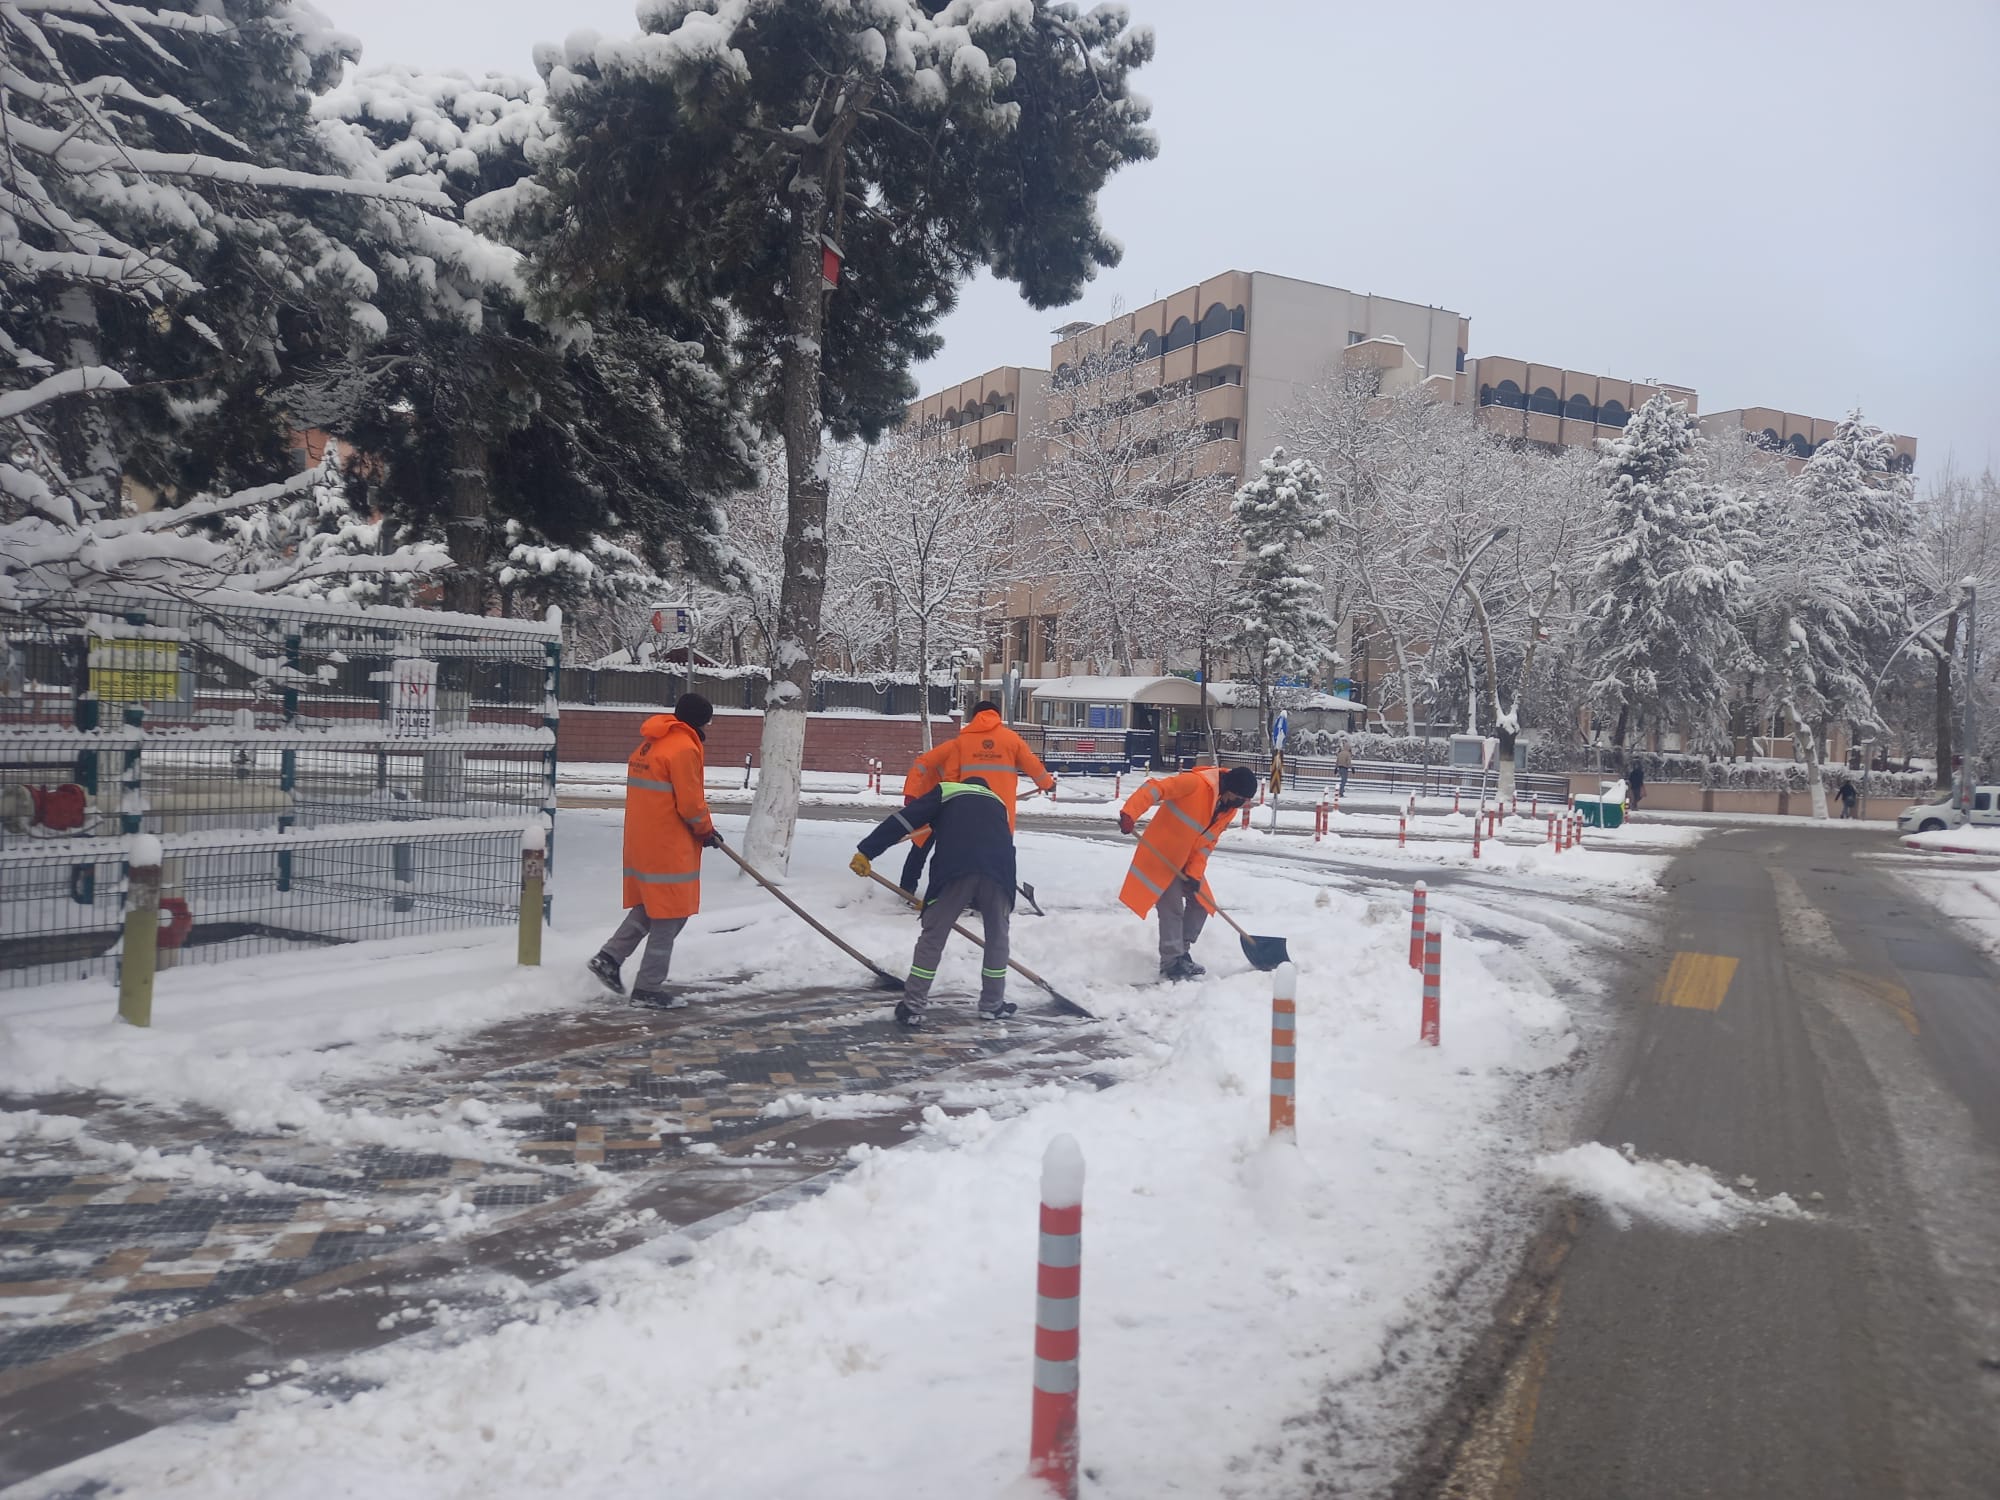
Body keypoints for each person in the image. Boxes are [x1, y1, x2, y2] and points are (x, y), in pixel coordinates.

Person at [588, 693, 724, 1009]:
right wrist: (704, 830)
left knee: (653, 904)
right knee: (671, 914)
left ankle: (609, 957)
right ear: (700, 721)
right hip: (668, 844)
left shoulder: (652, 743)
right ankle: (648, 988)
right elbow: (690, 803)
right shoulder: (685, 748)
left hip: (643, 840)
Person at [852, 774, 1018, 1029]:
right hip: (1000, 875)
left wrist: (867, 850)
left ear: (964, 783)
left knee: (933, 936)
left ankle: (913, 1006)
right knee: (997, 938)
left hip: (955, 871)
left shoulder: (948, 790)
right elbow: (995, 845)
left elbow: (903, 821)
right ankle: (992, 1005)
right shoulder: (998, 803)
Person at [1118, 764, 1258, 981]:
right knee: (1172, 908)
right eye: (1240, 798)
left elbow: (1206, 845)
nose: (1240, 804)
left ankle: (1181, 952)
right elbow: (1155, 788)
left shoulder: (1227, 809)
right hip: (1161, 855)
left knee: (1203, 903)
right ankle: (1171, 962)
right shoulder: (1195, 783)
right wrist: (1130, 813)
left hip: (1185, 861)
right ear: (1230, 788)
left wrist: (1194, 874)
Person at [940, 700, 1056, 828]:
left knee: (970, 839)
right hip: (1002, 802)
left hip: (969, 801)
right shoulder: (1011, 738)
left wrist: (949, 801)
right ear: (997, 716)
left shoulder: (962, 740)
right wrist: (1047, 784)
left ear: (975, 717)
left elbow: (951, 775)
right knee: (1000, 840)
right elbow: (1032, 765)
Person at [895, 739, 956, 894]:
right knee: (920, 848)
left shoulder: (971, 757)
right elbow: (920, 764)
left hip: (948, 807)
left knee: (948, 853)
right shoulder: (950, 750)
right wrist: (911, 794)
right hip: (928, 803)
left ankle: (941, 892)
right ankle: (907, 889)